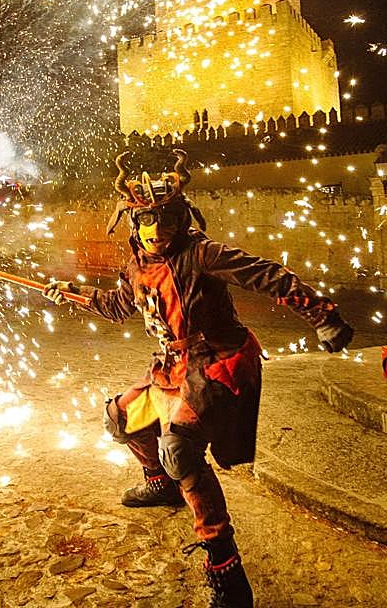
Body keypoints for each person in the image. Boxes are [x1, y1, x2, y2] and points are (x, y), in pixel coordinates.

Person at [43, 151, 354, 608]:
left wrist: (321, 314)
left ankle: (226, 570)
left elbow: (265, 273)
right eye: (146, 220)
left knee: (179, 448)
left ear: (181, 218)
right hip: (172, 366)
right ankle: (160, 484)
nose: (156, 229)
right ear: (134, 223)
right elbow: (116, 306)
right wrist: (72, 294)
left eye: (166, 218)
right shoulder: (136, 266)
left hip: (218, 363)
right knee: (121, 419)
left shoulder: (203, 253)